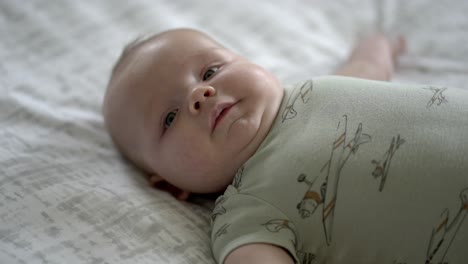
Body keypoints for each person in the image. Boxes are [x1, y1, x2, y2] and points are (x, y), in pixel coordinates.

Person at [102, 28, 468, 264]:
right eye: (169, 118)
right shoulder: (246, 214)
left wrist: (380, 43)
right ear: (170, 184)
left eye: (210, 71)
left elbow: (369, 66)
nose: (199, 94)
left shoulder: (319, 88)